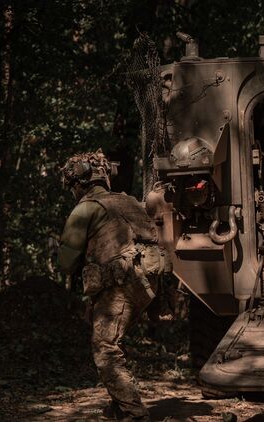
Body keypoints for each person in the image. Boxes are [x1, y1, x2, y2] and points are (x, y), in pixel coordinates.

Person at [57, 149, 161, 421]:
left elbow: (66, 262)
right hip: (148, 284)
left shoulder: (86, 208)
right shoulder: (129, 202)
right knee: (114, 340)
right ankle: (120, 404)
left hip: (121, 284)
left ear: (78, 184)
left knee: (104, 347)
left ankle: (133, 413)